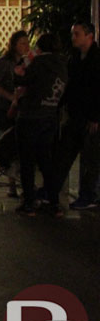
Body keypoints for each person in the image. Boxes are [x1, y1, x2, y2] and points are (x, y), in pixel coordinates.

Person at [12, 33, 67, 216]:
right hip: (50, 117)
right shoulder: (62, 65)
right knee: (46, 162)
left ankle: (29, 204)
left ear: (40, 48)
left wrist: (17, 73)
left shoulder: (38, 63)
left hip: (30, 116)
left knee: (27, 161)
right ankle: (54, 203)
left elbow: (22, 80)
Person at [57, 22, 100, 210]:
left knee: (90, 158)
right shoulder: (75, 58)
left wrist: (95, 117)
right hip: (76, 113)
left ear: (89, 36)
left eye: (77, 34)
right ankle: (53, 189)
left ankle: (88, 195)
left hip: (89, 116)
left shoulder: (96, 58)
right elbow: (71, 85)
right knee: (65, 152)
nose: (73, 37)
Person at [0, 30, 31, 198]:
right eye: (22, 43)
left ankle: (16, 182)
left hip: (20, 109)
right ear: (14, 45)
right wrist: (10, 96)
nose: (26, 46)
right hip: (5, 108)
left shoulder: (27, 62)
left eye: (27, 43)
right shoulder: (5, 63)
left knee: (19, 146)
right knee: (12, 143)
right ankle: (12, 183)